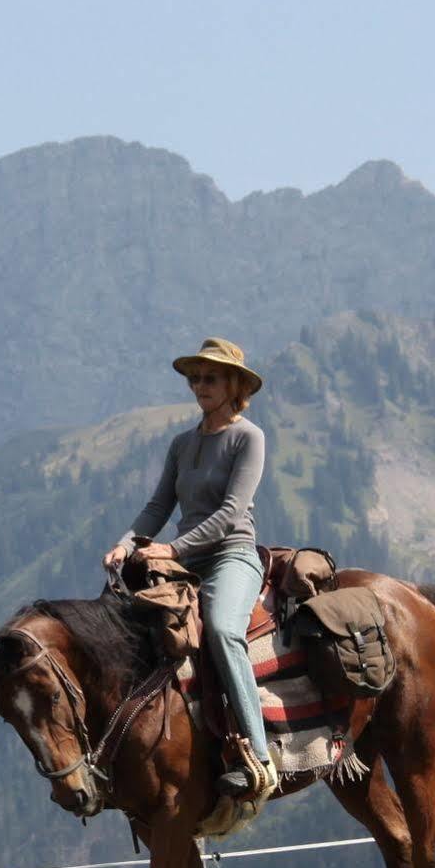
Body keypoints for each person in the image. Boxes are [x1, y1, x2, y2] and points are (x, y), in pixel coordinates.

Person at [104, 337, 278, 800]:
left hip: (232, 554)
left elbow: (230, 511)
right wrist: (126, 545)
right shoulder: (182, 444)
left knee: (221, 630)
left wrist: (172, 550)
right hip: (183, 557)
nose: (200, 385)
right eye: (196, 377)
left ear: (234, 384)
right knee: (130, 632)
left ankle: (260, 757)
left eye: (211, 377)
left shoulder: (249, 437)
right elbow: (159, 504)